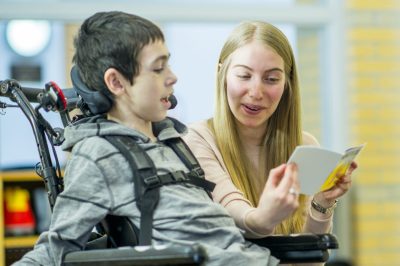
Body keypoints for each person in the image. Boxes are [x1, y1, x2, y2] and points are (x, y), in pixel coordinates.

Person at [14, 12, 281, 266]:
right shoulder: (98, 155)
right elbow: (56, 249)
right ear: (117, 83)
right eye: (158, 69)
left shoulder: (172, 141)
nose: (173, 77)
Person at [184, 21, 357, 238]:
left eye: (271, 79)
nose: (256, 92)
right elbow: (234, 208)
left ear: (287, 83)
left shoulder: (304, 145)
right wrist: (264, 218)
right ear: (223, 76)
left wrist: (323, 203)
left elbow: (309, 261)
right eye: (244, 76)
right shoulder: (196, 140)